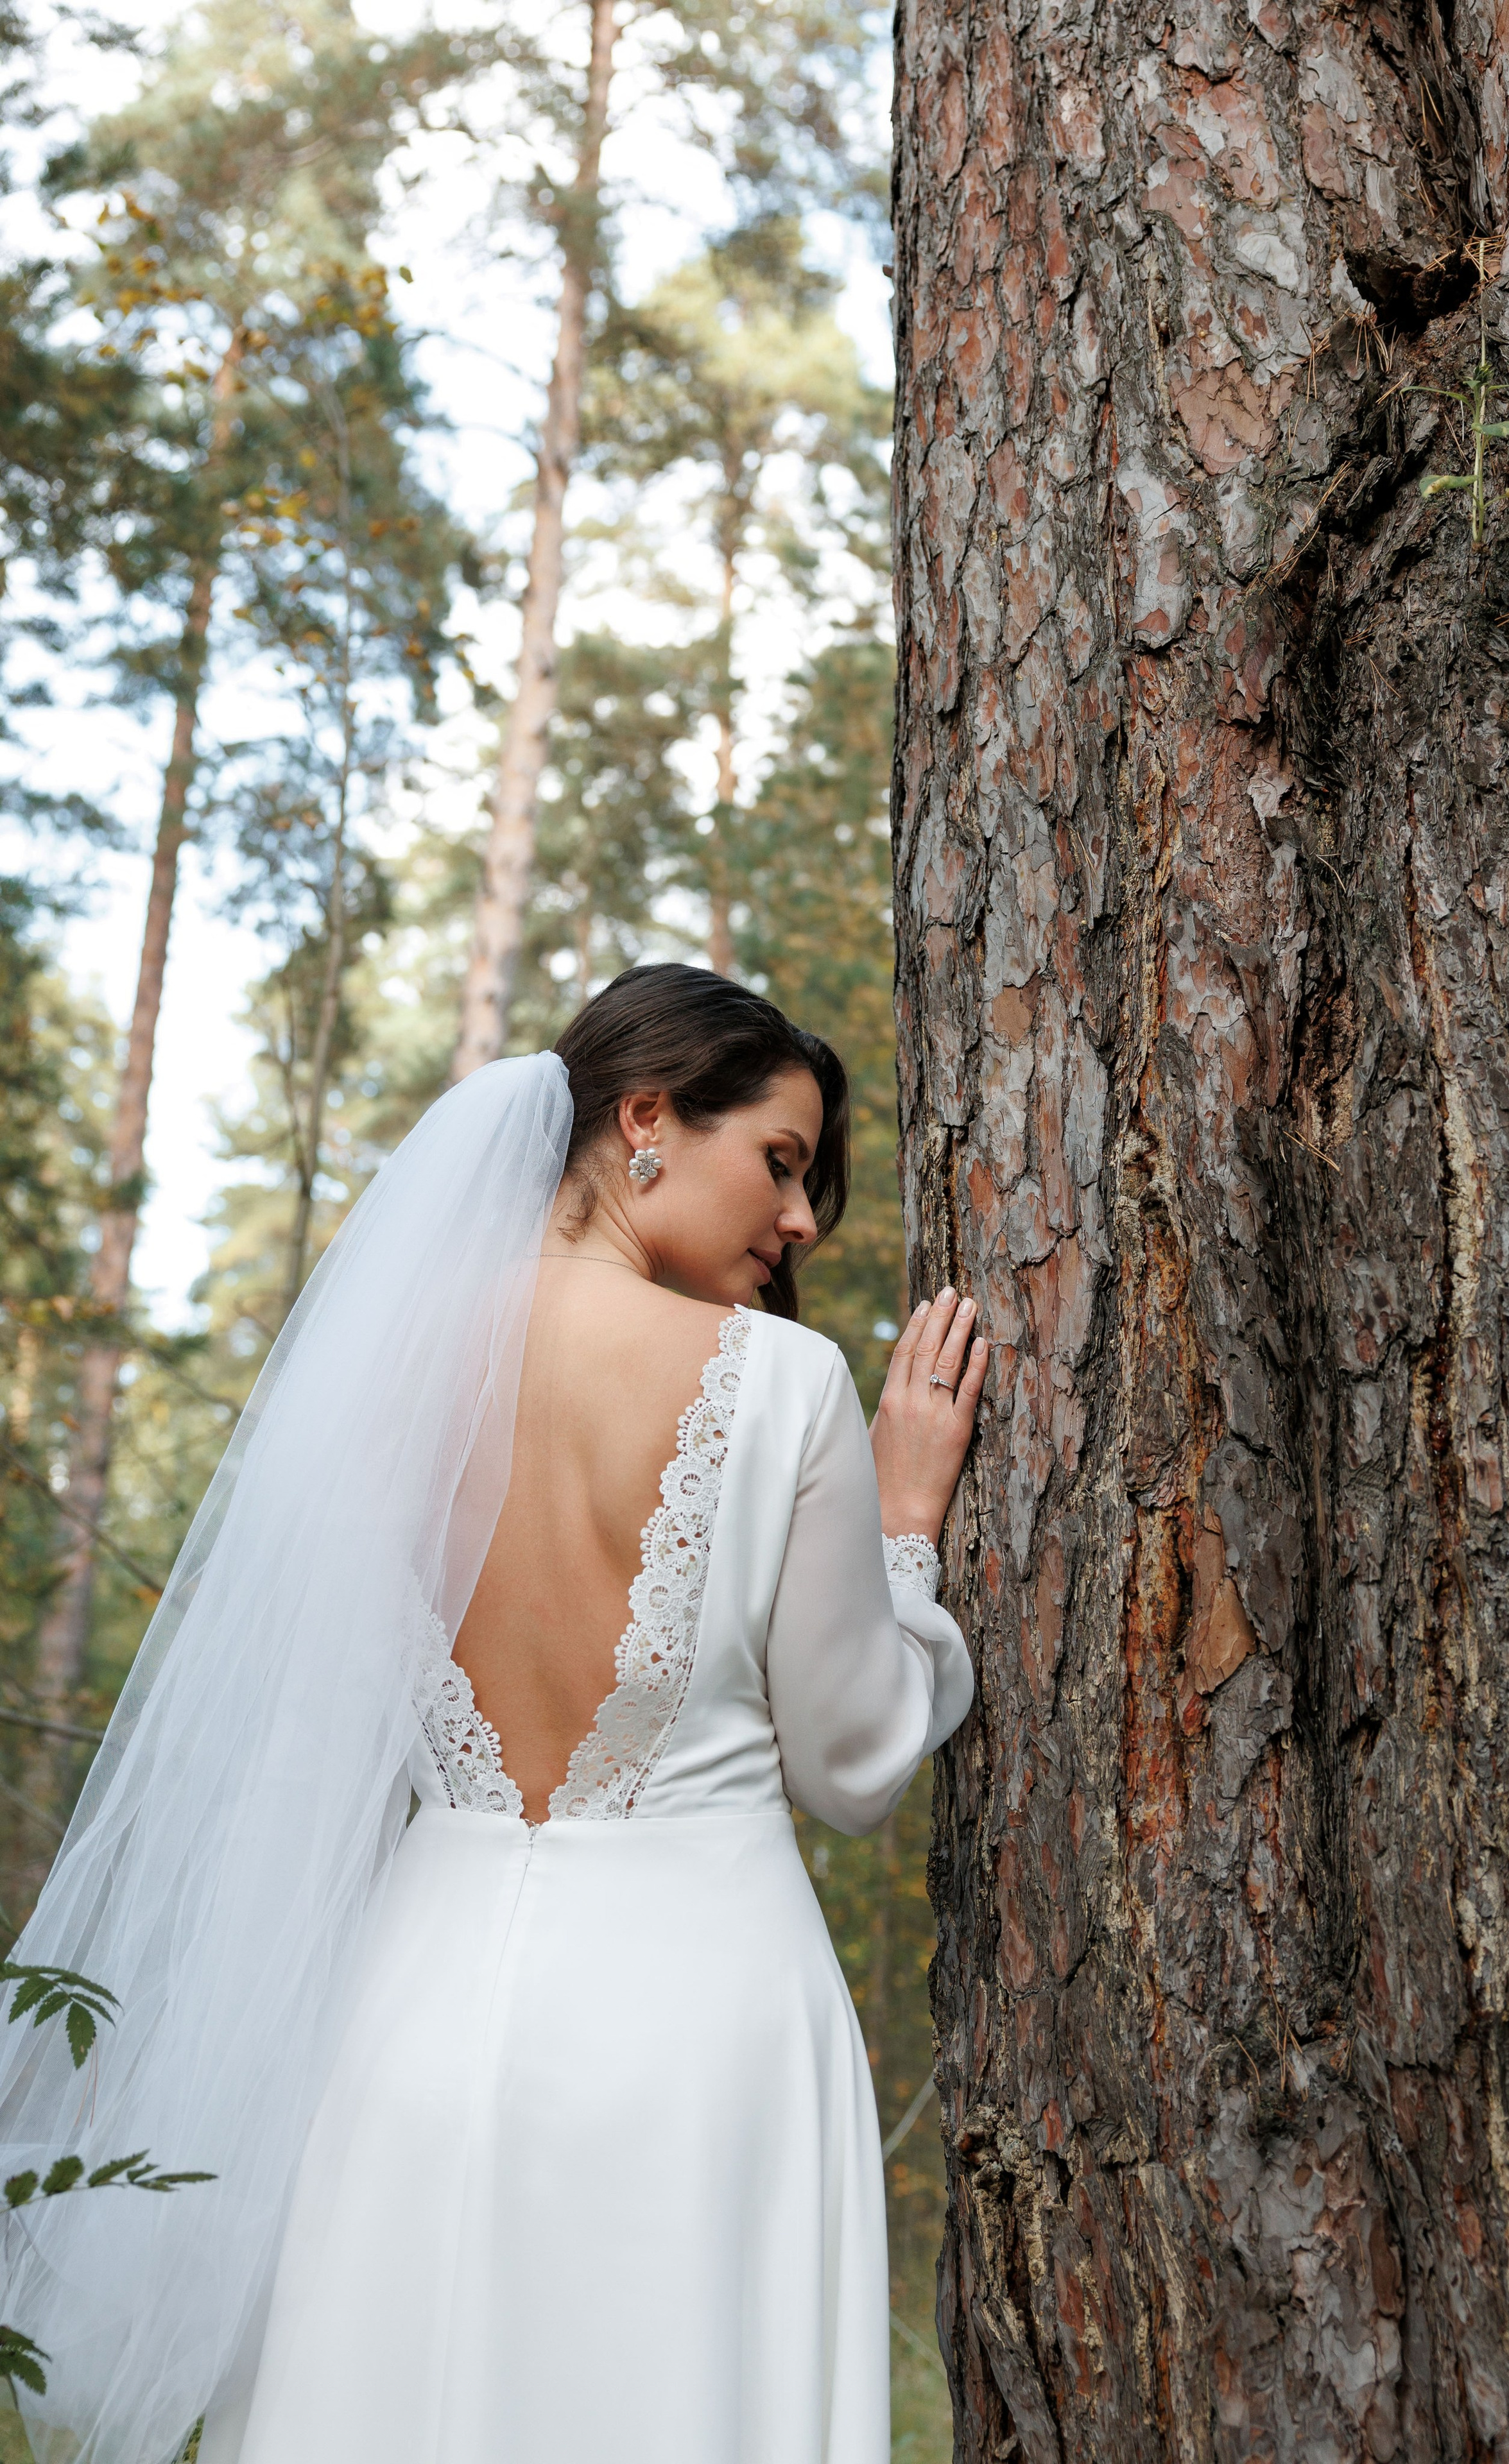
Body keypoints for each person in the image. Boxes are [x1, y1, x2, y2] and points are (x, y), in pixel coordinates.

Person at [0, 964, 985, 2464]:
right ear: (644, 1119)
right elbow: (854, 1761)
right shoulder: (784, 1384)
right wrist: (906, 1525)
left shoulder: (379, 1377)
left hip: (406, 2010)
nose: (798, 1224)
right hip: (692, 2027)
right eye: (779, 1164)